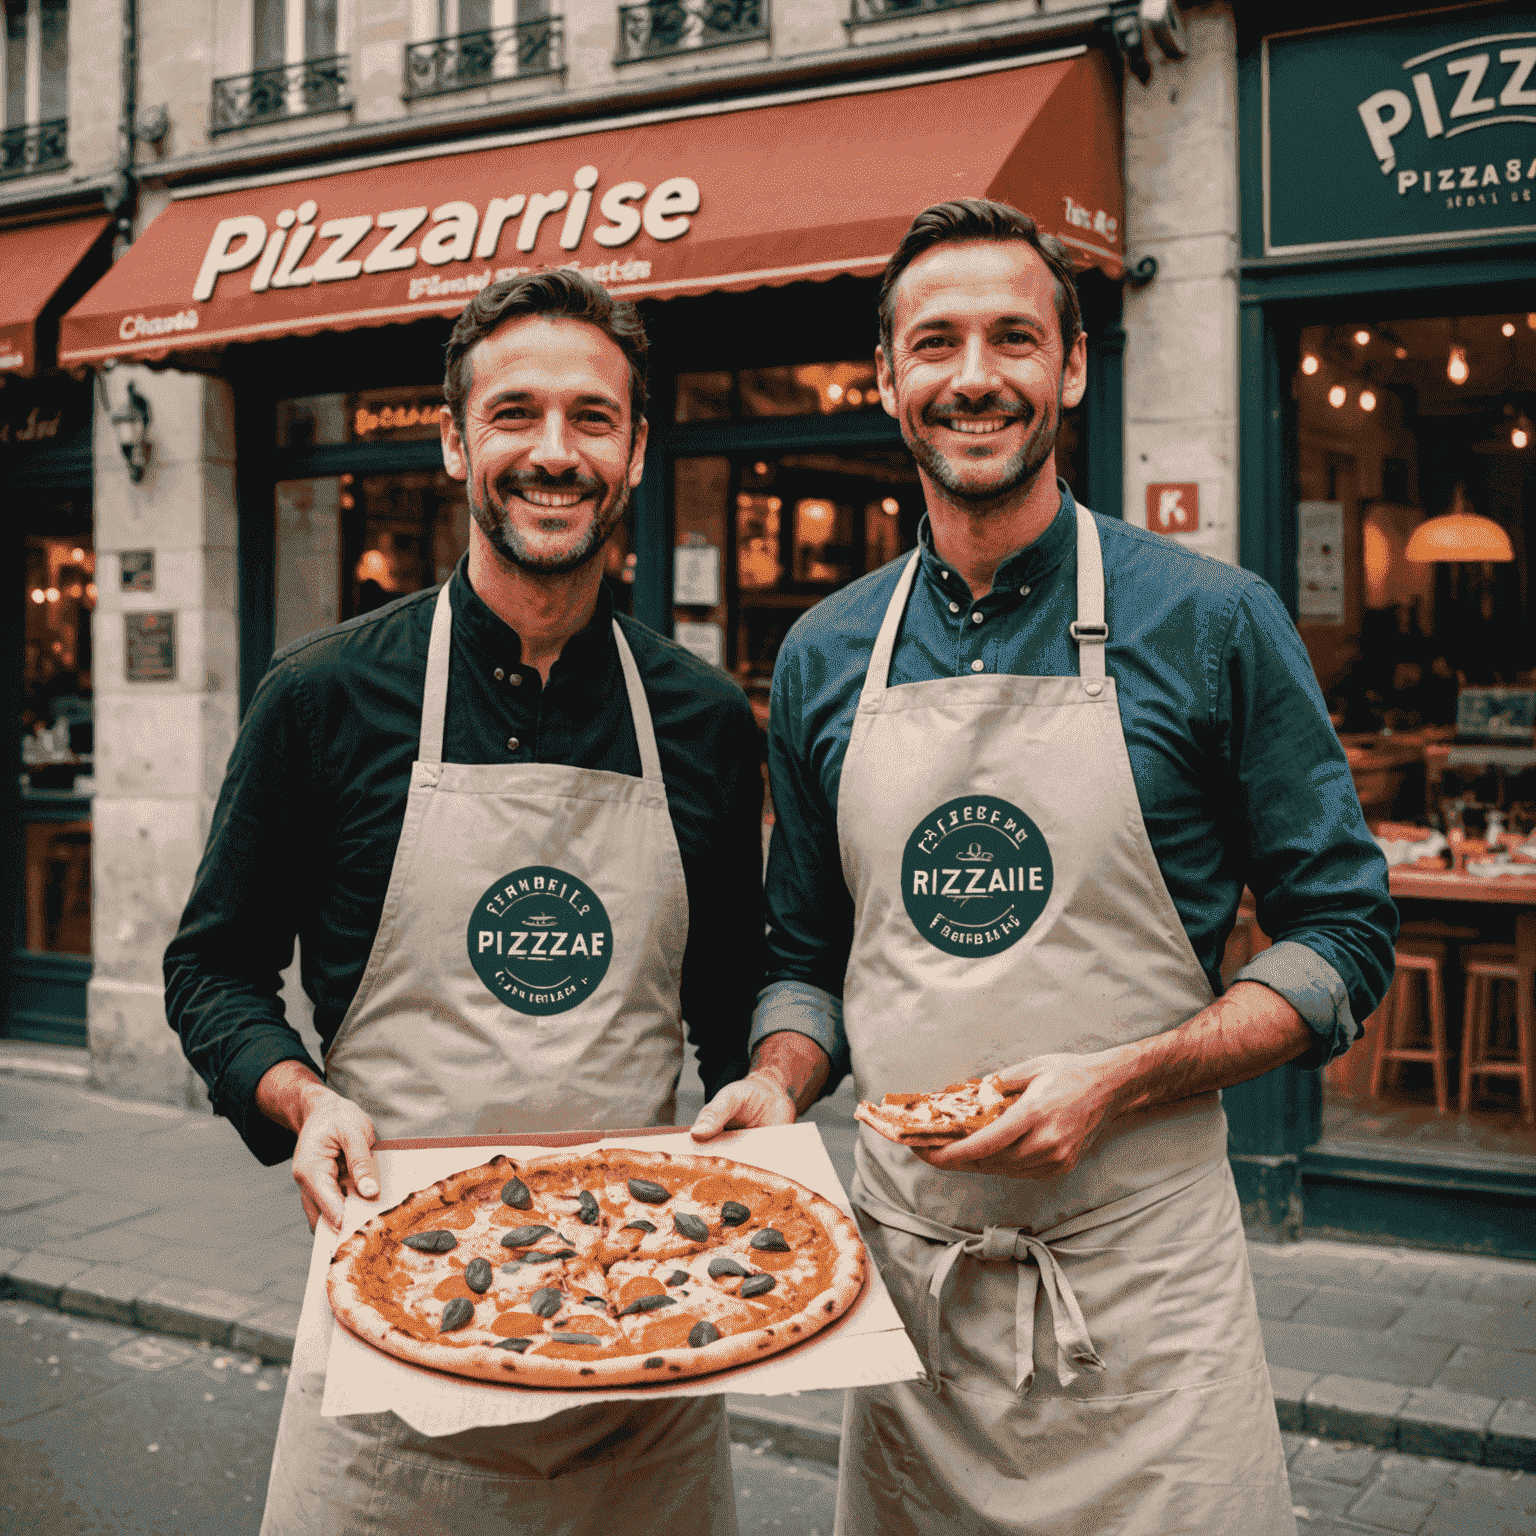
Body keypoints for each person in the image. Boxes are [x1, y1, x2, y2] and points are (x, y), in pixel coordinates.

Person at [695, 201, 1397, 1534]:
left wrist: (1131, 1075)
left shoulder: (1212, 625)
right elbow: (807, 958)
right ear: (889, 377)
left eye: (1014, 337)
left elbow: (1345, 934)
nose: (976, 375)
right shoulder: (824, 655)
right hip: (913, 1308)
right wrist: (778, 1081)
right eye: (938, 342)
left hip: (1142, 1306)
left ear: (1071, 368)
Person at [165, 270, 811, 1534]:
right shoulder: (322, 698)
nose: (553, 454)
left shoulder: (702, 720)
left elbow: (735, 992)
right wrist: (298, 1100)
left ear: (634, 447)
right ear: (457, 440)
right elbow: (214, 971)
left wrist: (769, 1082)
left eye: (591, 419)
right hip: (392, 1357)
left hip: (648, 1364)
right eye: (515, 415)